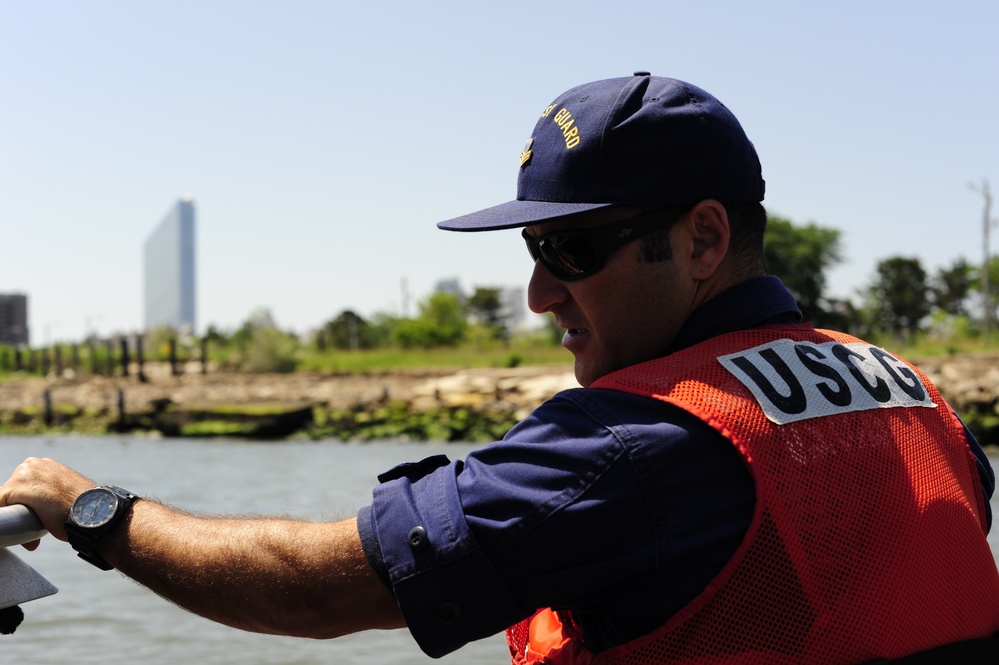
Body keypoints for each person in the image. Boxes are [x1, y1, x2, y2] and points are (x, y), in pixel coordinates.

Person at [3, 72, 999, 664]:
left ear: (703, 240)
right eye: (530, 253)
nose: (540, 293)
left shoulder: (635, 445)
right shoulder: (914, 396)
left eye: (574, 251)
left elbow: (309, 588)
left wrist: (85, 503)